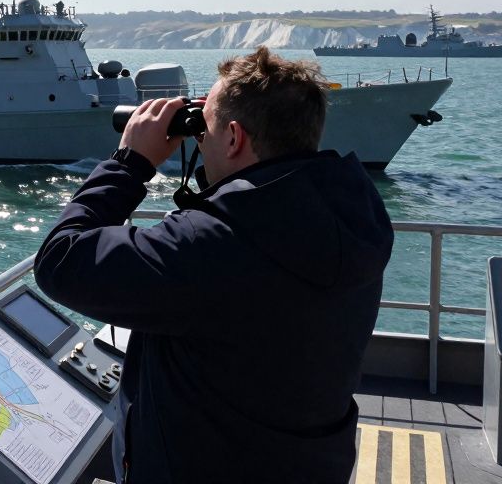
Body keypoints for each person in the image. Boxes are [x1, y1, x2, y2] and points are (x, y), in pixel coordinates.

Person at [35, 47, 393, 483]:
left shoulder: (211, 246)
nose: (198, 137)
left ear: (234, 137)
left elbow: (61, 260)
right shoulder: (355, 218)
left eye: (205, 126)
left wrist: (130, 162)